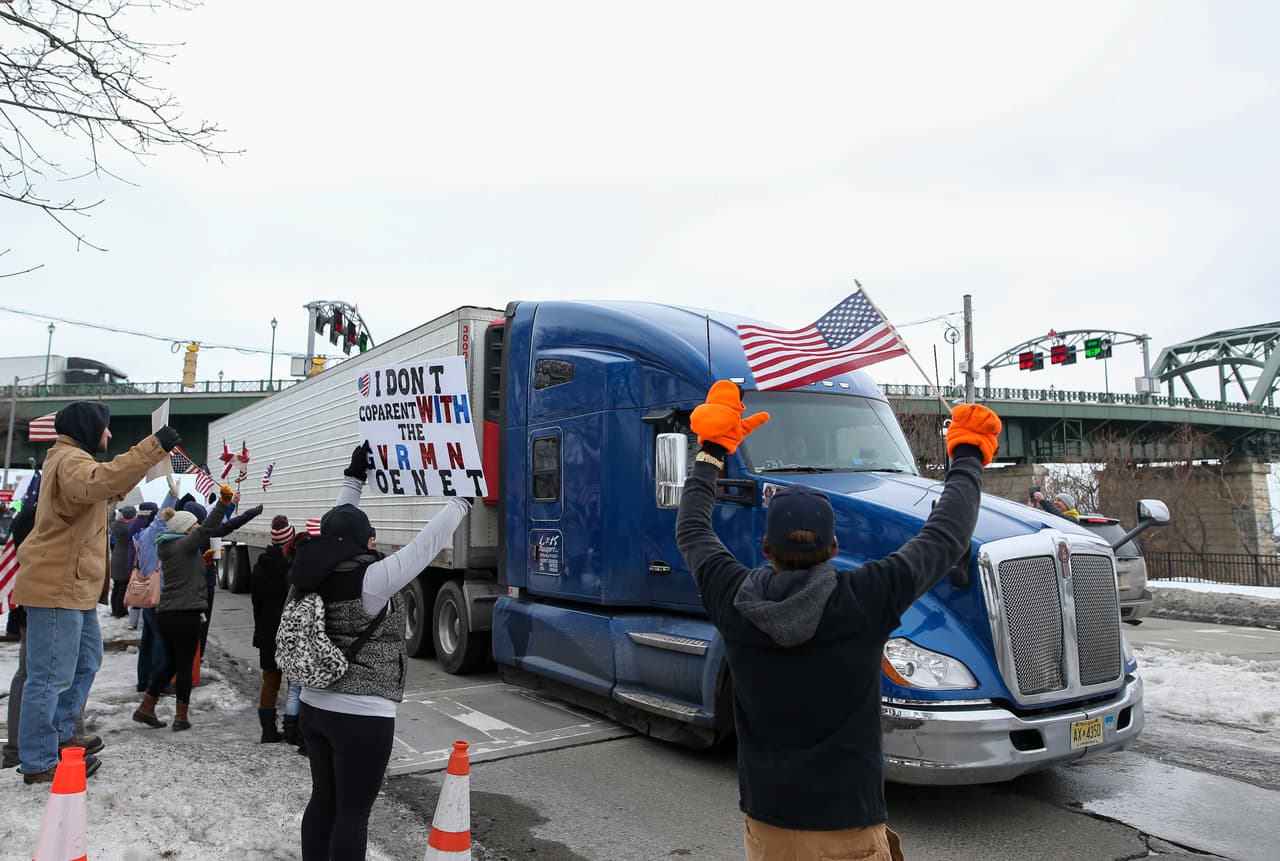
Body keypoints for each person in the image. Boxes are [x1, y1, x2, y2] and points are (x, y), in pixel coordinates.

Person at [674, 381, 1000, 861]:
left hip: (767, 826)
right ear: (833, 548)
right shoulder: (863, 598)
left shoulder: (734, 598)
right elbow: (946, 535)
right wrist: (967, 456)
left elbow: (692, 529)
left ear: (766, 548)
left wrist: (711, 452)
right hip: (847, 828)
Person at [293, 444, 471, 861]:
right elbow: (424, 547)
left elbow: (337, 525)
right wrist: (461, 502)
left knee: (323, 800)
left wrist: (353, 480)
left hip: (313, 705)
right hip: (362, 715)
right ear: (363, 541)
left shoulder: (305, 574)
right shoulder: (371, 581)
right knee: (353, 814)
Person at [13, 402, 179, 784]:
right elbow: (97, 482)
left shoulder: (74, 461)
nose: (109, 434)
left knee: (86, 661)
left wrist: (149, 459)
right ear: (87, 428)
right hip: (57, 587)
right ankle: (39, 761)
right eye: (105, 428)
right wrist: (152, 446)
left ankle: (62, 737)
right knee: (49, 676)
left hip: (74, 587)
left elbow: (108, 486)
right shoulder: (70, 460)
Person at [132, 485, 232, 732]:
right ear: (185, 530)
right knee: (185, 665)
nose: (197, 527)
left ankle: (146, 707)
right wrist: (223, 503)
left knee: (171, 663)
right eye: (193, 525)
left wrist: (201, 563)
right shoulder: (184, 545)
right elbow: (209, 527)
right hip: (185, 614)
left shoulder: (169, 547)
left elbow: (183, 572)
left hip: (167, 614)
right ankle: (181, 717)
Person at [249, 514, 296, 743]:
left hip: (268, 629)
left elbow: (256, 601)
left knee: (270, 680)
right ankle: (292, 729)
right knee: (295, 681)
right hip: (291, 629)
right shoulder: (294, 565)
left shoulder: (260, 565)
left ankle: (268, 730)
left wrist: (259, 630)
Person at [108, 504, 136, 618]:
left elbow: (110, 518)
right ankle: (120, 610)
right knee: (123, 586)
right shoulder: (129, 528)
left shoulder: (115, 525)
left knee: (117, 586)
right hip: (125, 558)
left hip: (116, 556)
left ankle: (114, 609)